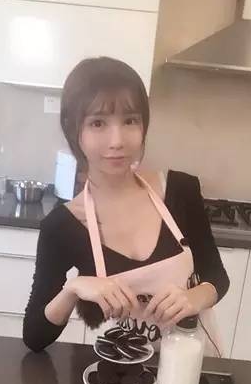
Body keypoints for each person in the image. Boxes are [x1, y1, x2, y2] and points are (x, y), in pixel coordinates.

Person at [22, 56, 228, 354]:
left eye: (130, 120)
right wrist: (73, 289)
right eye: (98, 123)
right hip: (120, 372)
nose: (117, 140)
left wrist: (193, 298)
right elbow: (34, 336)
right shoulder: (62, 227)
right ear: (73, 130)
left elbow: (216, 276)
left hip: (192, 363)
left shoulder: (180, 191)